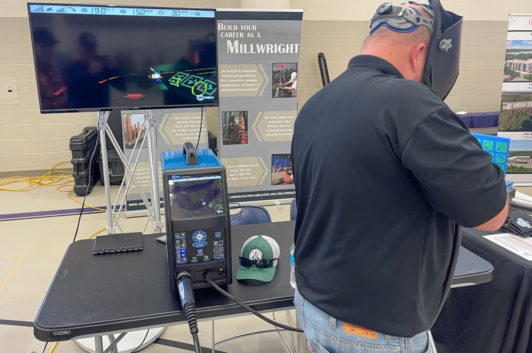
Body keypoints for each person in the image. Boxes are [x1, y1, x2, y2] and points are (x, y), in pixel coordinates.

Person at [291, 1, 509, 353]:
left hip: (315, 306)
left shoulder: (316, 105)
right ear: (421, 52)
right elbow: (492, 213)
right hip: (372, 331)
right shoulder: (409, 102)